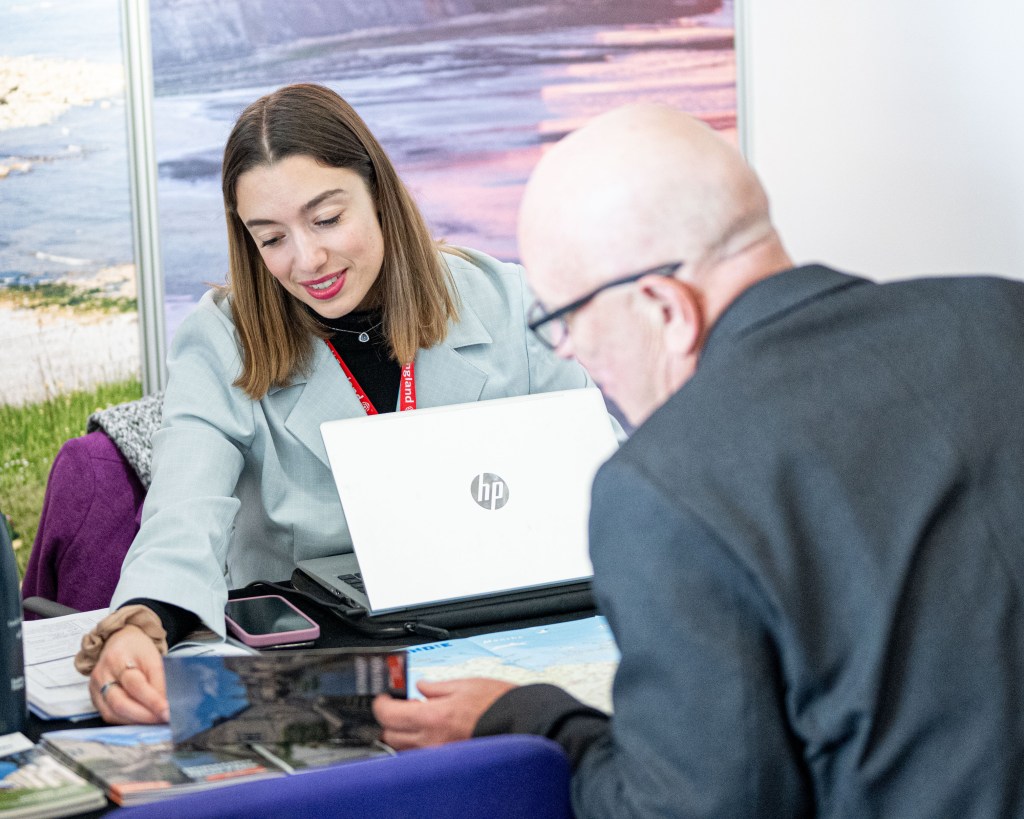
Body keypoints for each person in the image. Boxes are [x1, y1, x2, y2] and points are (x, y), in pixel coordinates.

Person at [373, 103, 1024, 815]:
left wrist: (533, 718)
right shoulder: (1006, 312)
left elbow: (696, 809)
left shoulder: (663, 484)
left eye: (565, 319)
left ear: (664, 305)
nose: (567, 349)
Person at [77, 83, 615, 725]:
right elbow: (184, 507)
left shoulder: (503, 300)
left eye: (328, 219)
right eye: (271, 238)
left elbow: (607, 469)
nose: (307, 260)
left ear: (379, 194)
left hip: (518, 626)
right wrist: (142, 620)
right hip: (327, 657)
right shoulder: (222, 337)